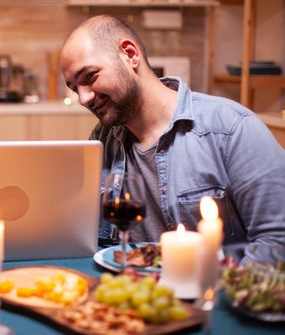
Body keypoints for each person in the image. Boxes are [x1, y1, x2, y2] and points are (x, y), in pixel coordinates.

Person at [60, 15, 285, 264]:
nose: (83, 99)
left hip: (211, 296)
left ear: (130, 54)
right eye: (74, 88)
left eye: (90, 77)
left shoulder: (232, 128)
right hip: (129, 294)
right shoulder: (102, 141)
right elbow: (86, 238)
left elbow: (277, 242)